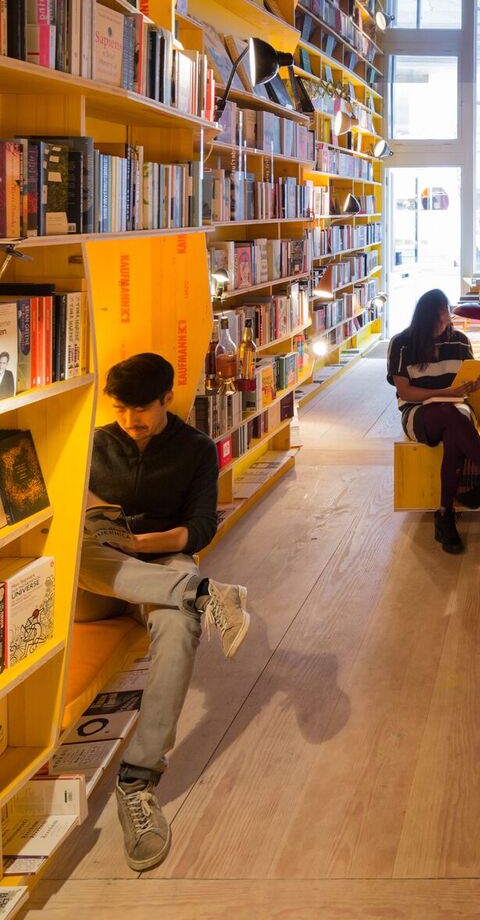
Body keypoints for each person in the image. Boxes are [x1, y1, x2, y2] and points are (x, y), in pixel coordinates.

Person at [76, 353, 251, 873]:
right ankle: (201, 592)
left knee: (179, 628)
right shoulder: (92, 444)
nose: (130, 420)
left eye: (142, 410)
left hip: (159, 562)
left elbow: (199, 527)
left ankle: (138, 781)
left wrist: (139, 541)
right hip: (101, 571)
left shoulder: (196, 448)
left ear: (167, 400)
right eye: (120, 409)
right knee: (81, 553)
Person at [387, 289, 480, 555]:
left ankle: (445, 514)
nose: (445, 324)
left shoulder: (459, 341)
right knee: (449, 414)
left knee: (454, 429)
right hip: (419, 413)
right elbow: (405, 392)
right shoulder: (402, 343)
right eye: (439, 321)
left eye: (446, 319)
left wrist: (479, 382)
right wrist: (443, 395)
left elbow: (466, 386)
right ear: (425, 319)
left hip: (457, 409)